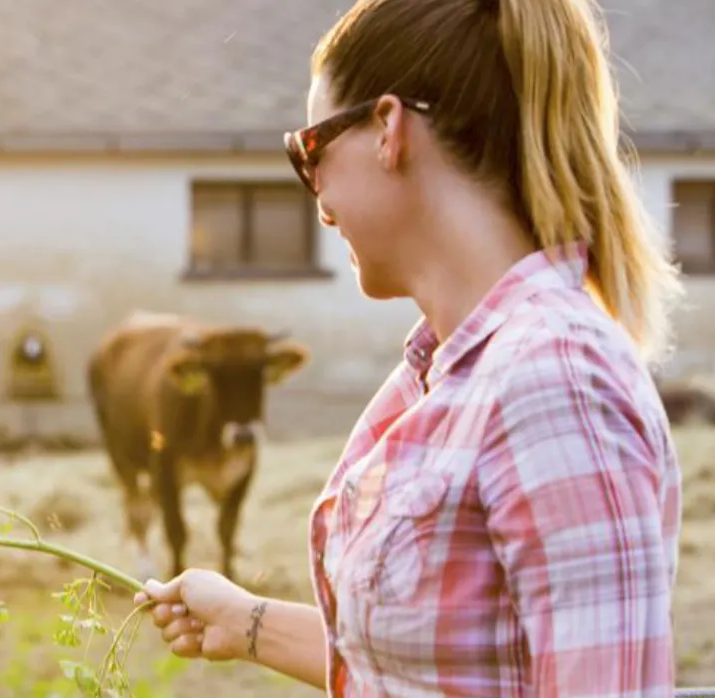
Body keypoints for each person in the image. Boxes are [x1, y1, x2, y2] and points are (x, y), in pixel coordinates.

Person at [134, 0, 687, 694]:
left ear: (388, 129)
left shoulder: (554, 383)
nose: (316, 196)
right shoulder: (452, 371)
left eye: (309, 152)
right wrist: (249, 624)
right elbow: (440, 665)